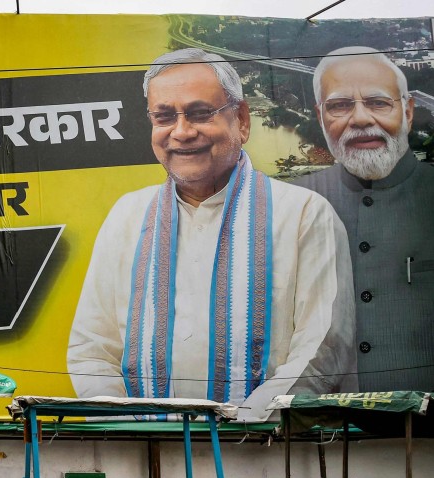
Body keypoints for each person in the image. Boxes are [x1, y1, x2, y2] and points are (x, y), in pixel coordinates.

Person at [67, 48, 356, 421]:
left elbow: (322, 350)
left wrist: (239, 430)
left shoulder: (303, 215)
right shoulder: (128, 216)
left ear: (242, 120)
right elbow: (93, 349)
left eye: (201, 113)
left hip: (262, 455)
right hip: (146, 454)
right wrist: (133, 430)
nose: (182, 132)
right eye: (164, 116)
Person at [294, 47, 434, 392]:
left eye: (377, 102)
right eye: (340, 105)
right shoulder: (293, 204)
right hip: (321, 434)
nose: (359, 119)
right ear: (321, 115)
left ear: (409, 111)